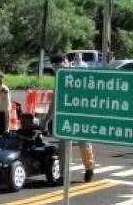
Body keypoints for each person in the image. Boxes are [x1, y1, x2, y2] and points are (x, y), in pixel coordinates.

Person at [41, 54, 96, 182]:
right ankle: (63, 175)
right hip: (66, 119)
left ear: (66, 62)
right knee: (63, 147)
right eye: (54, 67)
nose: (56, 69)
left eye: (58, 65)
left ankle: (89, 168)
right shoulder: (59, 79)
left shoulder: (78, 74)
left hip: (81, 116)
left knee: (84, 145)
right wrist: (47, 120)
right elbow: (55, 101)